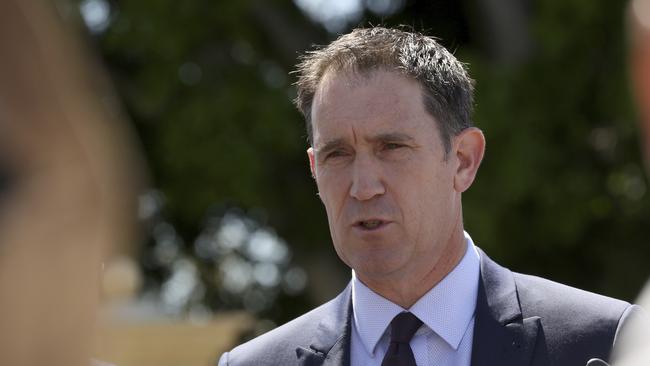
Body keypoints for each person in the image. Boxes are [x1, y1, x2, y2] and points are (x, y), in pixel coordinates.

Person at [219, 26, 640, 366]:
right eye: (337, 154)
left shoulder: (605, 343)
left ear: (462, 160)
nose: (363, 186)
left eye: (391, 148)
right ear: (315, 170)